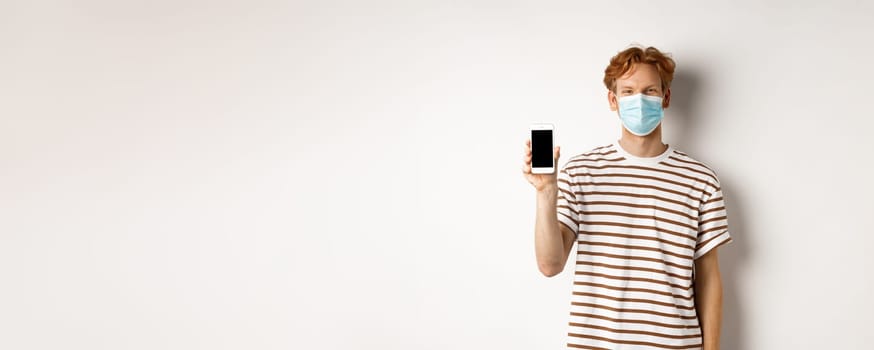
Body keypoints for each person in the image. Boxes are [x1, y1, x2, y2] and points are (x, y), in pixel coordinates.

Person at [522, 44, 733, 350]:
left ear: (666, 98)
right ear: (613, 100)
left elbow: (710, 280)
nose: (640, 99)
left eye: (650, 90)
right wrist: (545, 193)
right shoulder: (581, 172)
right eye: (629, 91)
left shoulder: (701, 180)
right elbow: (550, 264)